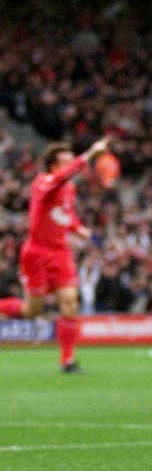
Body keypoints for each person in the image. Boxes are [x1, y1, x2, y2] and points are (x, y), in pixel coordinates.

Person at [0, 137, 110, 371]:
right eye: (66, 161)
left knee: (70, 303)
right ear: (53, 165)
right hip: (36, 254)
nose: (70, 166)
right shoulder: (42, 183)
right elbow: (62, 177)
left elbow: (66, 214)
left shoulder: (69, 189)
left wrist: (79, 229)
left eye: (72, 160)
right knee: (32, 310)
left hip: (61, 253)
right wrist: (89, 153)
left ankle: (67, 360)